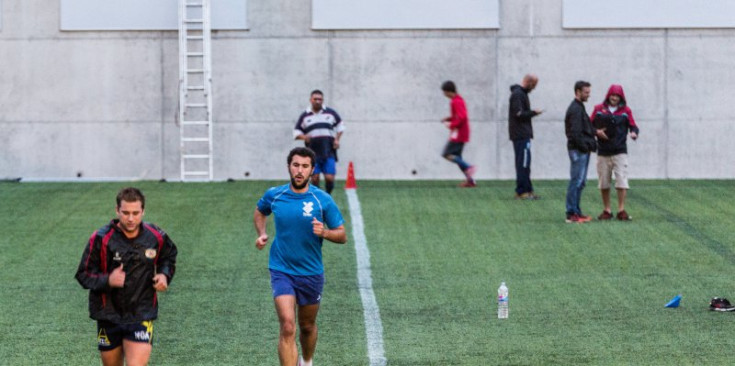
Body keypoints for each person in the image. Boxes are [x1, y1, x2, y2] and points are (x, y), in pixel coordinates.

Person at [253, 147, 347, 366]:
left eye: (305, 167)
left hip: (311, 272)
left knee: (307, 326)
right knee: (287, 326)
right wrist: (262, 233)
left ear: (312, 170)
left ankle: (307, 361)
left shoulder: (322, 200)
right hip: (281, 269)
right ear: (289, 167)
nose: (299, 170)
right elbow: (260, 212)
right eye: (296, 165)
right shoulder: (274, 195)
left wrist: (324, 232)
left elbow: (342, 235)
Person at [75, 187, 178, 366]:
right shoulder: (100, 238)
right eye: (126, 213)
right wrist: (108, 280)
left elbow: (168, 256)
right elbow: (83, 274)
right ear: (117, 211)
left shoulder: (155, 236)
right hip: (108, 315)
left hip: (141, 313)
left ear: (143, 211)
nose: (131, 219)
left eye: (136, 213)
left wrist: (163, 275)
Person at [590, 84, 639, 221]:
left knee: (621, 180)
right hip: (603, 151)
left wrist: (634, 133)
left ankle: (621, 209)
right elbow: (589, 124)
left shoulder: (625, 111)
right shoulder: (599, 109)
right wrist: (596, 132)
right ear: (608, 95)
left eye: (617, 96)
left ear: (621, 97)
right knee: (604, 182)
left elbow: (633, 125)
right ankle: (607, 210)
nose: (614, 98)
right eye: (612, 95)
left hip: (620, 151)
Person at [564, 81, 605, 223]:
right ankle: (571, 213)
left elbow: (583, 128)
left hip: (580, 150)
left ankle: (576, 211)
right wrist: (584, 147)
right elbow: (575, 133)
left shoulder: (579, 107)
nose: (589, 95)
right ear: (578, 92)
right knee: (576, 181)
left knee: (580, 182)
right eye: (586, 92)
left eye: (589, 92)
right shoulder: (575, 109)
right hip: (578, 151)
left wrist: (595, 132)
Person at [294, 90, 345, 195]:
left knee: (329, 178)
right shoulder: (305, 116)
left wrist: (337, 139)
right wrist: (304, 137)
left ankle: (328, 195)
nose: (317, 101)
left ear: (323, 100)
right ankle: (318, 197)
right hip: (312, 153)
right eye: (315, 99)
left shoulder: (330, 113)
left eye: (320, 99)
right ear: (310, 100)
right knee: (315, 178)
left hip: (328, 151)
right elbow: (296, 132)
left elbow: (341, 126)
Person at [508, 74, 543, 199]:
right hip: (520, 134)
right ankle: (522, 191)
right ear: (528, 82)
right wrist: (534, 112)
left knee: (525, 163)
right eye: (533, 85)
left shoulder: (521, 94)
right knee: (523, 163)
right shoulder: (518, 94)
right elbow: (518, 114)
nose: (533, 88)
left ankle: (527, 190)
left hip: (522, 134)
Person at [440, 80, 476, 187]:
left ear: (448, 91)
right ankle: (470, 181)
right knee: (458, 157)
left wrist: (451, 125)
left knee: (446, 154)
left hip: (459, 133)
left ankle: (469, 167)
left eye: (444, 92)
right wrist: (449, 118)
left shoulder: (456, 101)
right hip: (460, 132)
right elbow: (458, 115)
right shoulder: (457, 100)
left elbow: (462, 117)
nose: (444, 94)